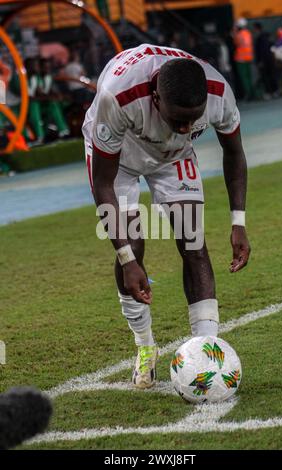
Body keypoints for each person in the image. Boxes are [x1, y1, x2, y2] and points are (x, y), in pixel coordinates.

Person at [82, 44, 251, 390]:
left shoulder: (218, 92)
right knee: (132, 245)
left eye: (194, 120)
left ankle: (206, 350)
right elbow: (103, 184)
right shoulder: (118, 96)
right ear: (155, 98)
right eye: (179, 120)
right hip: (120, 158)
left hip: (173, 158)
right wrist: (126, 258)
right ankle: (145, 347)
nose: (188, 127)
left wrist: (239, 222)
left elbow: (234, 153)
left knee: (193, 242)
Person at [253, 22, 278, 99]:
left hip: (265, 61)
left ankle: (269, 92)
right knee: (272, 75)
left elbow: (262, 51)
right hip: (270, 59)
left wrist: (261, 61)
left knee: (266, 77)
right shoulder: (268, 36)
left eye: (254, 28)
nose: (253, 30)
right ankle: (275, 91)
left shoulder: (260, 38)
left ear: (257, 28)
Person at [233, 18, 255, 100]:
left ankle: (248, 94)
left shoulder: (238, 34)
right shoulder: (248, 33)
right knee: (249, 77)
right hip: (249, 57)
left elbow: (235, 42)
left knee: (244, 78)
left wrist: (234, 31)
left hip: (240, 59)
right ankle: (252, 93)